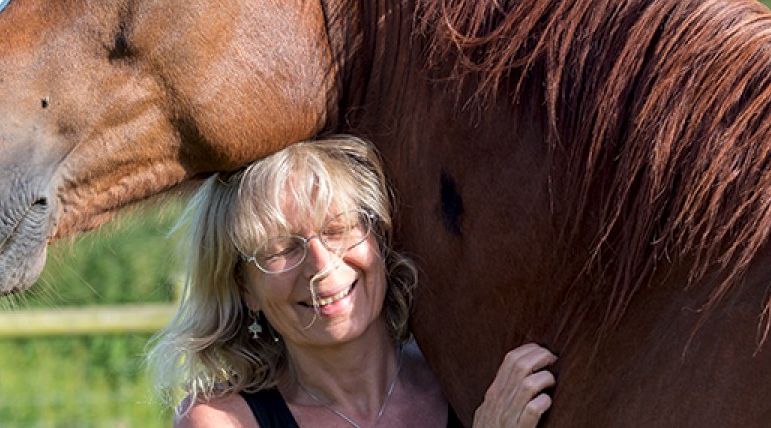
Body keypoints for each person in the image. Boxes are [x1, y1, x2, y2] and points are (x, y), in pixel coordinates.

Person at [148, 135, 556, 427]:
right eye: (280, 248)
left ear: (378, 237)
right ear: (244, 288)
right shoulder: (220, 420)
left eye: (338, 229)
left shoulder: (472, 382)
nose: (321, 265)